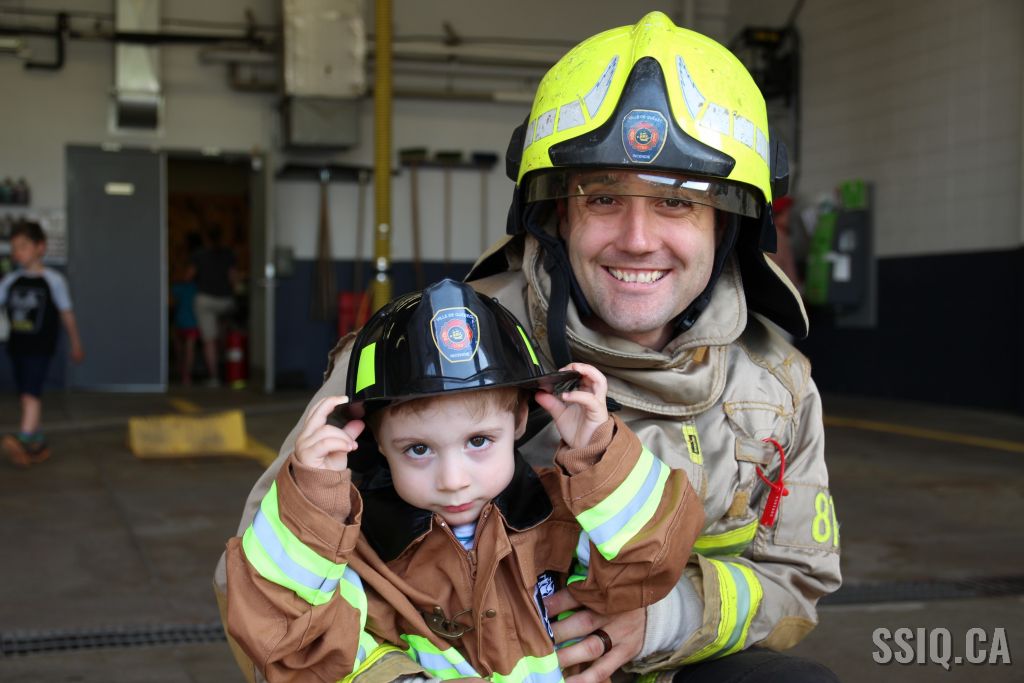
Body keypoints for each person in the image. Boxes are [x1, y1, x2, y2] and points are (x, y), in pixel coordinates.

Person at [216, 11, 841, 683]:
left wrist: (665, 619)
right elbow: (260, 590)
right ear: (557, 215)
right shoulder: (424, 357)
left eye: (676, 202)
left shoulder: (776, 386)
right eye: (603, 197)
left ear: (728, 223)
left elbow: (795, 577)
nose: (637, 239)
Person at [224, 279, 703, 682]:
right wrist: (314, 506)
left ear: (520, 422)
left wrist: (598, 456)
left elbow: (648, 568)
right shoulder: (359, 555)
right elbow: (284, 635)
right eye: (418, 449)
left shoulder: (564, 517)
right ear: (376, 441)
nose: (452, 480)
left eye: (478, 441)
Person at [0, 220, 84, 467]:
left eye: (23, 246)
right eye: (14, 247)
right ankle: (38, 444)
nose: (18, 252)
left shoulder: (54, 280)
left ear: (40, 247)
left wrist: (76, 342)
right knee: (25, 395)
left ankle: (24, 438)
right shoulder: (11, 280)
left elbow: (67, 313)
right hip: (17, 347)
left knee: (31, 395)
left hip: (40, 348)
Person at [192, 225, 238, 387]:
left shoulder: (199, 254)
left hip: (205, 300)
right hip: (225, 301)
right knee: (223, 336)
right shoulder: (229, 254)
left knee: (209, 340)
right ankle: (229, 371)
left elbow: (189, 275)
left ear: (206, 238)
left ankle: (214, 377)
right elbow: (233, 278)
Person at [170, 263, 199, 386]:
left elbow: (169, 302)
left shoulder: (179, 287)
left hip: (187, 322)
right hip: (184, 322)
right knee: (185, 350)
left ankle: (184, 374)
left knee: (185, 350)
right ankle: (185, 375)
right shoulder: (196, 287)